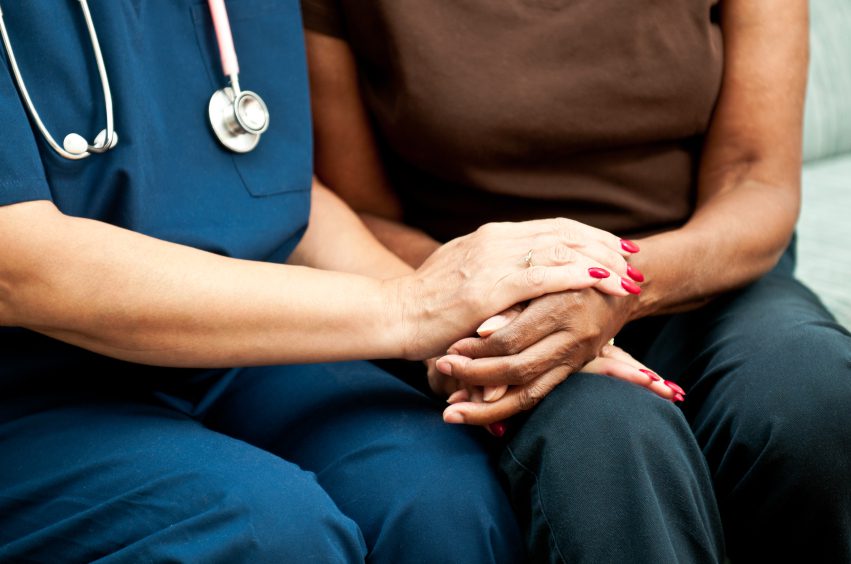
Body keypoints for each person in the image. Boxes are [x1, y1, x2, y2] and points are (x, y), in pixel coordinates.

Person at [0, 1, 671, 562]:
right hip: (33, 384)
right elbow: (16, 266)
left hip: (235, 352)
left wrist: (483, 333)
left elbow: (273, 186)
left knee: (440, 498)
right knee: (268, 534)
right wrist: (405, 308)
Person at [301, 0, 851, 562]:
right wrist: (499, 302)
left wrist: (620, 283)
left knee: (812, 398)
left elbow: (755, 177)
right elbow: (360, 208)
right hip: (475, 291)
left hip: (693, 266)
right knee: (605, 442)